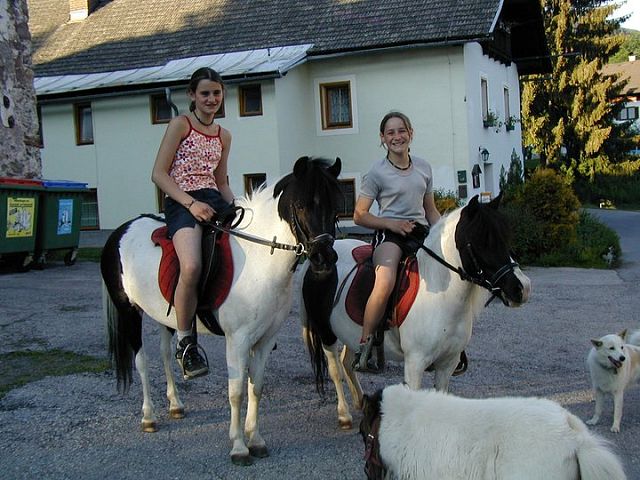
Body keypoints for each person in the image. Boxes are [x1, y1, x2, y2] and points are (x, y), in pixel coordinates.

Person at [151, 67, 235, 379]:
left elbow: (221, 180)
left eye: (216, 92)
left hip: (213, 199)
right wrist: (190, 203)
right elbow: (159, 174)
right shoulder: (180, 125)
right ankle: (186, 342)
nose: (211, 99)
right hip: (181, 201)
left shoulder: (224, 136)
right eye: (205, 93)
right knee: (191, 267)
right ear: (192, 96)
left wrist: (237, 207)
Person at [352, 111, 441, 372]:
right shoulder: (376, 173)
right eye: (390, 133)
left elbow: (431, 210)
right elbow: (359, 215)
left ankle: (445, 344)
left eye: (401, 131)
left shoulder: (424, 167)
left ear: (410, 134)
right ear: (382, 138)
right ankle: (365, 345)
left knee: (446, 276)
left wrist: (444, 234)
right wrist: (392, 224)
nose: (397, 137)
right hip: (389, 234)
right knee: (387, 279)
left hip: (419, 232)